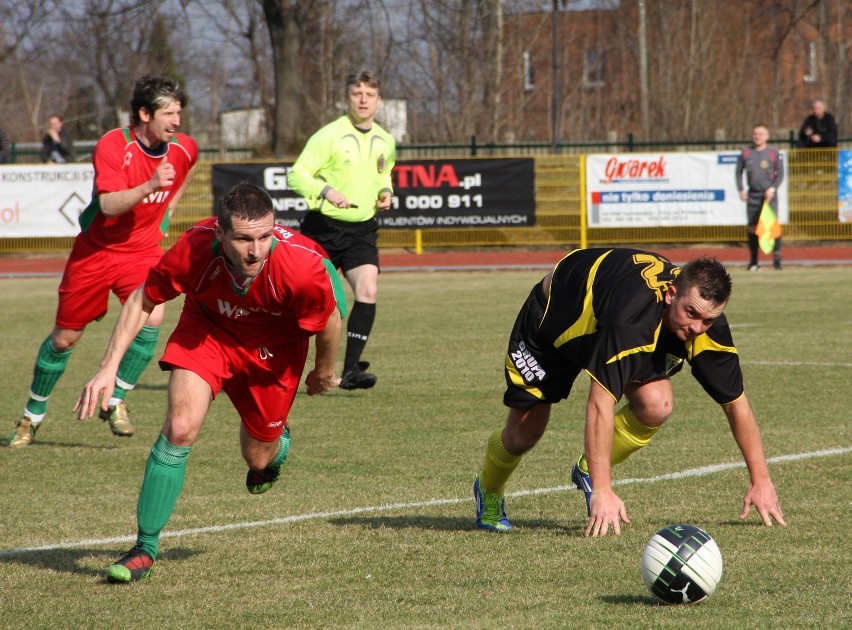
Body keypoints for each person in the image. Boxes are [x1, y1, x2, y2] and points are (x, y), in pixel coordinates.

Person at [75, 182, 345, 583]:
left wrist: (322, 372)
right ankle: (144, 548)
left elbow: (329, 320)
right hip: (208, 334)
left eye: (264, 237)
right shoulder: (195, 247)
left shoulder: (301, 267)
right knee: (180, 428)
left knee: (257, 459)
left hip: (275, 351)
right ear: (220, 233)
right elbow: (144, 298)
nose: (255, 250)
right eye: (243, 239)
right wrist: (108, 366)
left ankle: (277, 441)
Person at [473, 249, 786, 537]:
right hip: (553, 323)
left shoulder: (703, 326)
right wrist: (603, 491)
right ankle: (488, 488)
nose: (697, 327)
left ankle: (588, 469)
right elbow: (599, 403)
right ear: (671, 294)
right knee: (524, 434)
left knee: (657, 404)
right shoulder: (631, 322)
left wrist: (761, 481)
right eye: (691, 313)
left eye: (708, 319)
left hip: (608, 320)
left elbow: (736, 404)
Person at [6, 75, 198, 448]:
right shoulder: (114, 144)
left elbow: (185, 172)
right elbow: (108, 205)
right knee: (64, 339)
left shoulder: (185, 148)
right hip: (95, 253)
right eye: (169, 113)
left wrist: (167, 211)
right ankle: (32, 415)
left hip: (142, 252)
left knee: (153, 316)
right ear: (145, 113)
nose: (177, 121)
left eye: (179, 113)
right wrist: (150, 187)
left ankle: (115, 399)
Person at [288, 70, 396, 391]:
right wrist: (325, 191)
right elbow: (297, 174)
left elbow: (383, 173)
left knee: (368, 291)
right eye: (357, 93)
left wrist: (386, 192)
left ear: (379, 100)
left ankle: (350, 371)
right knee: (302, 302)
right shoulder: (329, 135)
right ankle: (272, 362)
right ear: (348, 97)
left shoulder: (385, 140)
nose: (363, 100)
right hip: (322, 230)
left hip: (362, 229)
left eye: (369, 94)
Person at [735, 124, 784, 271]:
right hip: (753, 196)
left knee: (772, 227)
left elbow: (780, 174)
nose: (757, 136)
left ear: (767, 136)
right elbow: (738, 173)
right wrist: (741, 190)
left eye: (761, 134)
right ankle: (754, 262)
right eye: (755, 134)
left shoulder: (773, 152)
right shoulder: (746, 152)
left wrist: (772, 188)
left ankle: (777, 260)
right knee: (752, 228)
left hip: (769, 197)